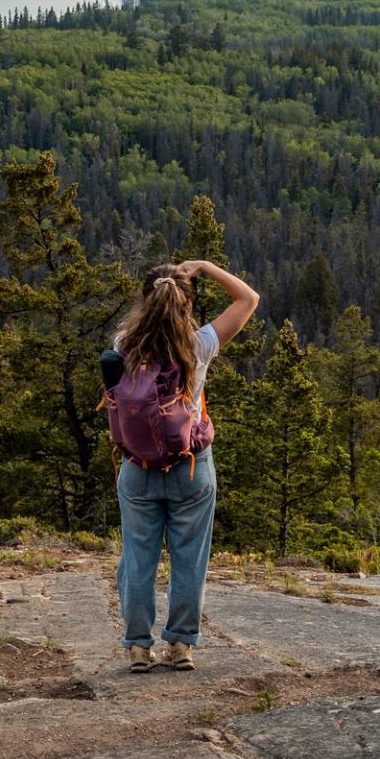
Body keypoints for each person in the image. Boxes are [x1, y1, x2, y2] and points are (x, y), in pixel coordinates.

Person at [108, 258, 258, 672]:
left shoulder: (123, 345)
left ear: (145, 300)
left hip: (137, 467)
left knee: (138, 558)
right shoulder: (199, 344)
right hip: (191, 467)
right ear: (187, 305)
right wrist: (206, 267)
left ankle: (138, 647)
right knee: (190, 558)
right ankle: (181, 646)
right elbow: (248, 298)